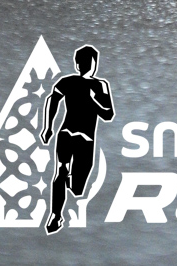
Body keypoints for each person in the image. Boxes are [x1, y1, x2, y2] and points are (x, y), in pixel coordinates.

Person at [40, 44, 114, 234]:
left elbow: (108, 114)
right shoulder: (68, 82)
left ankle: (67, 184)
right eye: (83, 62)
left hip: (85, 140)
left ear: (94, 63)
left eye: (89, 62)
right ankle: (56, 215)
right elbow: (52, 100)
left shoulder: (100, 85)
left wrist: (92, 100)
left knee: (77, 187)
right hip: (68, 134)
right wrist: (48, 127)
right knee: (61, 170)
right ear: (77, 64)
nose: (87, 65)